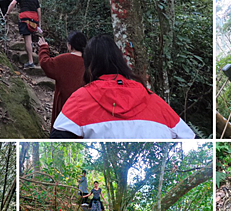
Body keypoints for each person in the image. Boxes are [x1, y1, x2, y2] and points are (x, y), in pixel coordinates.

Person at [50, 35, 196, 139]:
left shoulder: (80, 99)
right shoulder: (153, 99)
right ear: (120, 60)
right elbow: (188, 136)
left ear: (89, 65)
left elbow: (58, 136)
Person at [38, 31, 86, 128]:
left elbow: (45, 63)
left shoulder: (64, 59)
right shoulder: (89, 62)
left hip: (64, 104)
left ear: (70, 45)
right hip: (83, 106)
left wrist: (43, 48)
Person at [6, 0, 41, 69]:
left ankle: (30, 61)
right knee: (30, 38)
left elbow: (13, 3)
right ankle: (33, 59)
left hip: (25, 18)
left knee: (27, 40)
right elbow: (39, 10)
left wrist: (7, 13)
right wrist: (39, 23)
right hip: (34, 18)